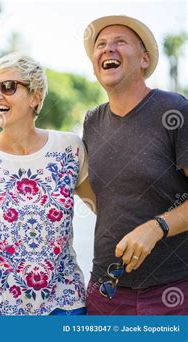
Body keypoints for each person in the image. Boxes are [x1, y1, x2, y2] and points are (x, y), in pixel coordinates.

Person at [0, 53, 95, 315]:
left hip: (65, 306)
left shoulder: (70, 148)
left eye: (8, 87)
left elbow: (102, 210)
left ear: (35, 96)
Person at [82, 15, 188, 314]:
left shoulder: (174, 110)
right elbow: (99, 193)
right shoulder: (92, 121)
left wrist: (156, 227)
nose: (108, 49)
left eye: (120, 42)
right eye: (100, 44)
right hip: (106, 291)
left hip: (172, 292)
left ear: (144, 59)